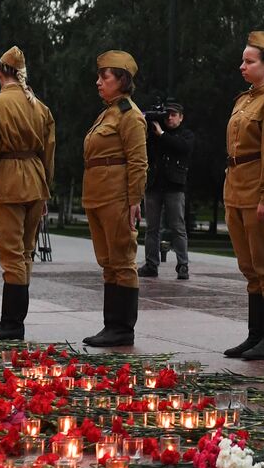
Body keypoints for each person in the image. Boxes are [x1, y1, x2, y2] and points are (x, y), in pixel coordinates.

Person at [0, 46, 56, 341]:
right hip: (35, 182)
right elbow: (49, 154)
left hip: (7, 185)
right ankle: (15, 320)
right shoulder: (41, 107)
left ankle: (11, 323)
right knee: (25, 254)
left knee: (11, 257)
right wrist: (45, 190)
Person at [221, 32, 264, 360]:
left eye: (250, 61)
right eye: (244, 60)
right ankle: (255, 334)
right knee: (249, 266)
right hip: (235, 188)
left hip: (256, 191)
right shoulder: (244, 100)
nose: (242, 66)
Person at [82, 51, 148, 348]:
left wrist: (134, 198)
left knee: (122, 261)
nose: (98, 82)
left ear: (121, 80)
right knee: (109, 263)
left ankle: (123, 327)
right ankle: (111, 325)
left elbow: (138, 161)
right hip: (98, 196)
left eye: (104, 77)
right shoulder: (107, 113)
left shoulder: (129, 114)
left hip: (116, 197)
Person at [140, 101, 193, 280]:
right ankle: (151, 264)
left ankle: (183, 265)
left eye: (173, 115)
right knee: (151, 228)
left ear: (181, 117)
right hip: (154, 185)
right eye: (167, 115)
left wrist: (162, 134)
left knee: (178, 227)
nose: (170, 118)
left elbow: (182, 147)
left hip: (174, 187)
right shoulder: (154, 134)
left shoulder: (185, 135)